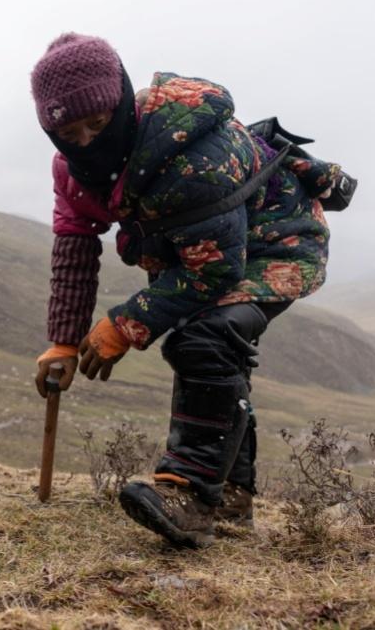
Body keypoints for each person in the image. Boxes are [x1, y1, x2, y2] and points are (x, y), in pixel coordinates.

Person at [30, 33, 346, 548]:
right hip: (201, 248)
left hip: (277, 242)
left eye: (98, 123)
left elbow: (214, 273)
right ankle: (230, 502)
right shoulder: (73, 169)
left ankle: (191, 498)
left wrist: (126, 324)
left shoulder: (192, 155)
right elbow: (75, 243)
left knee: (204, 340)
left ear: (122, 102)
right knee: (216, 355)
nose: (86, 141)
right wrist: (64, 340)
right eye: (68, 131)